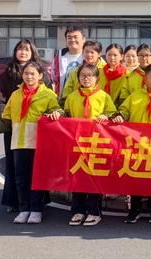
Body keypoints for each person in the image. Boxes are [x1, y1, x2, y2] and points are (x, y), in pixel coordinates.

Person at [0, 62, 60, 224]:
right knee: (21, 178)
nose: (29, 77)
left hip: (39, 144)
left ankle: (36, 210)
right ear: (22, 75)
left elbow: (57, 111)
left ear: (40, 76)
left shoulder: (48, 95)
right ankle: (24, 209)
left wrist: (57, 113)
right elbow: (7, 119)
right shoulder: (16, 96)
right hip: (19, 143)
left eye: (33, 74)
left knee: (37, 178)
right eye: (26, 73)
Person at [48, 63, 115, 226]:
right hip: (76, 143)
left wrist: (107, 116)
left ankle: (94, 211)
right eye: (83, 75)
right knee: (77, 177)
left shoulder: (104, 96)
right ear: (78, 78)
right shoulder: (72, 97)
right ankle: (77, 210)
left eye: (90, 75)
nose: (86, 78)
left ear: (97, 78)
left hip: (96, 144)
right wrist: (57, 113)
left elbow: (113, 113)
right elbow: (66, 113)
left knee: (94, 178)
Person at [0, 40, 52, 213]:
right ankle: (15, 200)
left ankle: (40, 201)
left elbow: (49, 99)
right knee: (14, 164)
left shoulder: (42, 74)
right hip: (14, 125)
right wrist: (3, 120)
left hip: (35, 128)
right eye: (20, 49)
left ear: (33, 52)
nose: (23, 52)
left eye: (26, 50)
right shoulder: (7, 73)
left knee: (36, 165)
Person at [112, 63, 151, 224]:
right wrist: (121, 116)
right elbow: (124, 110)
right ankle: (135, 210)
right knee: (135, 177)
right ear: (145, 79)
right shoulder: (135, 96)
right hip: (136, 144)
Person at [53, 25, 85, 98]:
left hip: (84, 98)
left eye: (76, 37)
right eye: (69, 37)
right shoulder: (59, 57)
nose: (72, 40)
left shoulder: (90, 56)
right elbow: (54, 77)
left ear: (83, 39)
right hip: (64, 97)